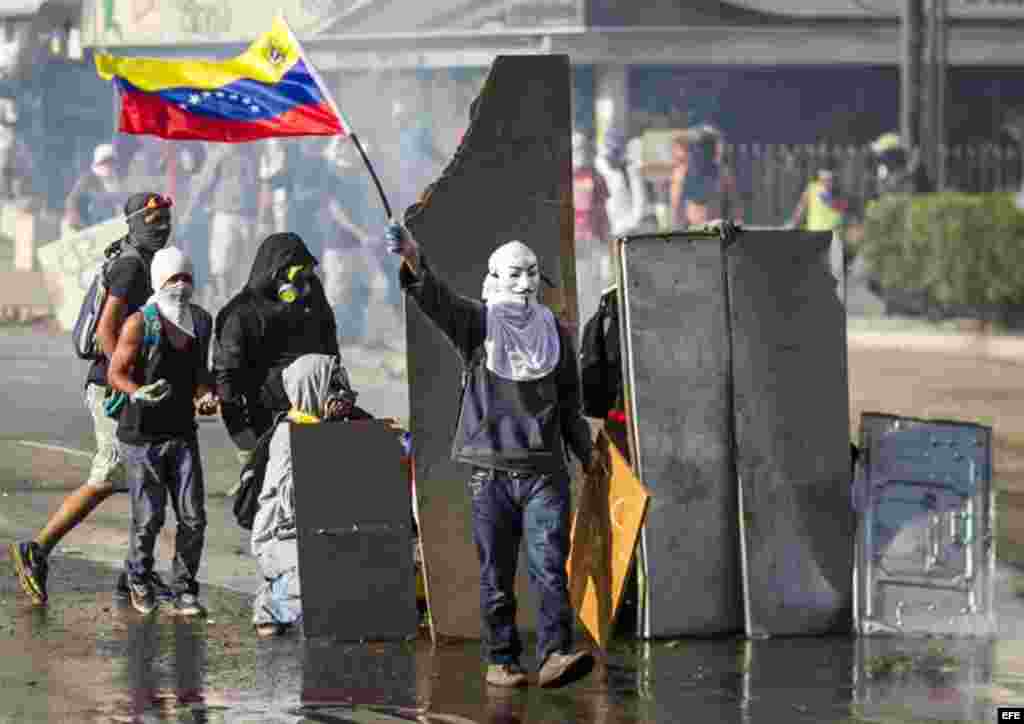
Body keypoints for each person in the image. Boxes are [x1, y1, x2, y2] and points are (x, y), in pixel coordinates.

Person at [385, 222, 602, 690]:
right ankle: (502, 659)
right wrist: (414, 257)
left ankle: (555, 654)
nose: (525, 284)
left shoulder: (556, 335)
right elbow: (437, 300)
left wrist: (586, 454)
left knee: (549, 565)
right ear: (497, 278)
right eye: (515, 274)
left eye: (531, 274)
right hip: (491, 473)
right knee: (496, 574)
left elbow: (568, 405)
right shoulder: (478, 323)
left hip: (545, 472)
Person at [9, 192, 175, 606]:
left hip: (130, 385)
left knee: (146, 474)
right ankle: (37, 550)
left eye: (166, 217)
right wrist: (128, 376)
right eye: (152, 218)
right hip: (112, 386)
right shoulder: (131, 266)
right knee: (113, 472)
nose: (161, 225)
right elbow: (105, 331)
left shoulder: (146, 262)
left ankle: (136, 572)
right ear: (135, 223)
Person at [108, 245, 218, 616]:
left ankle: (184, 588)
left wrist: (206, 397)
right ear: (159, 281)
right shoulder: (141, 323)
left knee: (193, 517)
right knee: (149, 517)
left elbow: (200, 375)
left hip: (182, 434)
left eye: (187, 278)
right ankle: (138, 578)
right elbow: (116, 373)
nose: (182, 286)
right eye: (174, 278)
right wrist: (138, 391)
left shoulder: (201, 321)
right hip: (141, 436)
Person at [250, 353, 373, 637]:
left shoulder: (341, 424)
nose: (342, 393)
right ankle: (270, 605)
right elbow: (290, 501)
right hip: (284, 535)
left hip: (325, 526)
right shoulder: (289, 435)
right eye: (333, 386)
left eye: (342, 384)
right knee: (316, 576)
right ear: (312, 387)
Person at [212, 232, 339, 463]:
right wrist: (243, 438)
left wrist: (338, 391)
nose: (306, 286)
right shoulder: (241, 314)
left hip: (319, 414)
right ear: (275, 274)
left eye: (309, 276)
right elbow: (226, 379)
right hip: (268, 420)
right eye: (298, 276)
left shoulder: (313, 300)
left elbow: (331, 353)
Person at [63, 144, 126, 232]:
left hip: (109, 226)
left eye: (112, 162)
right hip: (86, 228)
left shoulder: (116, 181)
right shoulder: (87, 179)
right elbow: (72, 201)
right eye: (105, 162)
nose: (109, 166)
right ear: (98, 163)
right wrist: (79, 225)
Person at [787, 168, 848, 232]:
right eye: (823, 180)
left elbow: (841, 211)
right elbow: (801, 206)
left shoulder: (839, 193)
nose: (827, 183)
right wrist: (793, 223)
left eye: (829, 180)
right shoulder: (814, 188)